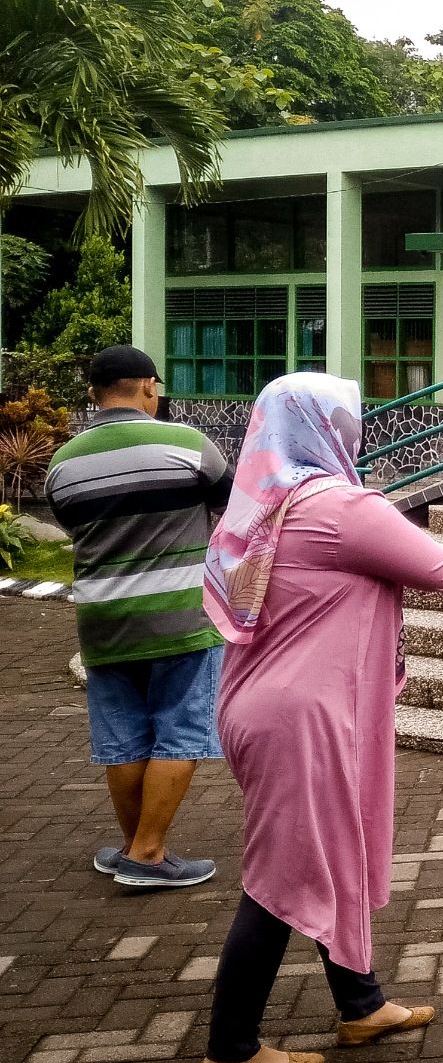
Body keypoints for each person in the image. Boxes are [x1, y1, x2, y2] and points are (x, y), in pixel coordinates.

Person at [194, 373, 443, 1063]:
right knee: (280, 876)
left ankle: (362, 1005)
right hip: (302, 719)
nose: (356, 430)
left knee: (334, 853)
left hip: (260, 706)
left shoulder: (264, 505)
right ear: (323, 428)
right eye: (346, 418)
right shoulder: (341, 506)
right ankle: (231, 1049)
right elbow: (435, 564)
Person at [44, 345, 232, 890]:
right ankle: (149, 855)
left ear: (92, 394)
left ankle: (133, 849)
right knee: (181, 731)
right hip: (180, 619)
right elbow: (234, 503)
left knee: (123, 737)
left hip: (102, 620)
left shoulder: (65, 462)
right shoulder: (187, 444)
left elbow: (71, 524)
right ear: (150, 386)